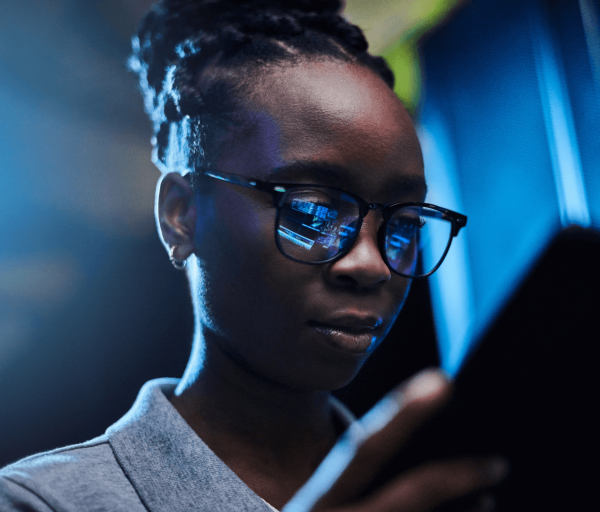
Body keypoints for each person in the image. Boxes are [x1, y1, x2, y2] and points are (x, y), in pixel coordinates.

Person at [0, 1, 507, 510]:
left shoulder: (446, 490)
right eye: (312, 213)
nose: (371, 265)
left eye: (404, 225)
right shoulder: (39, 500)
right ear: (182, 216)